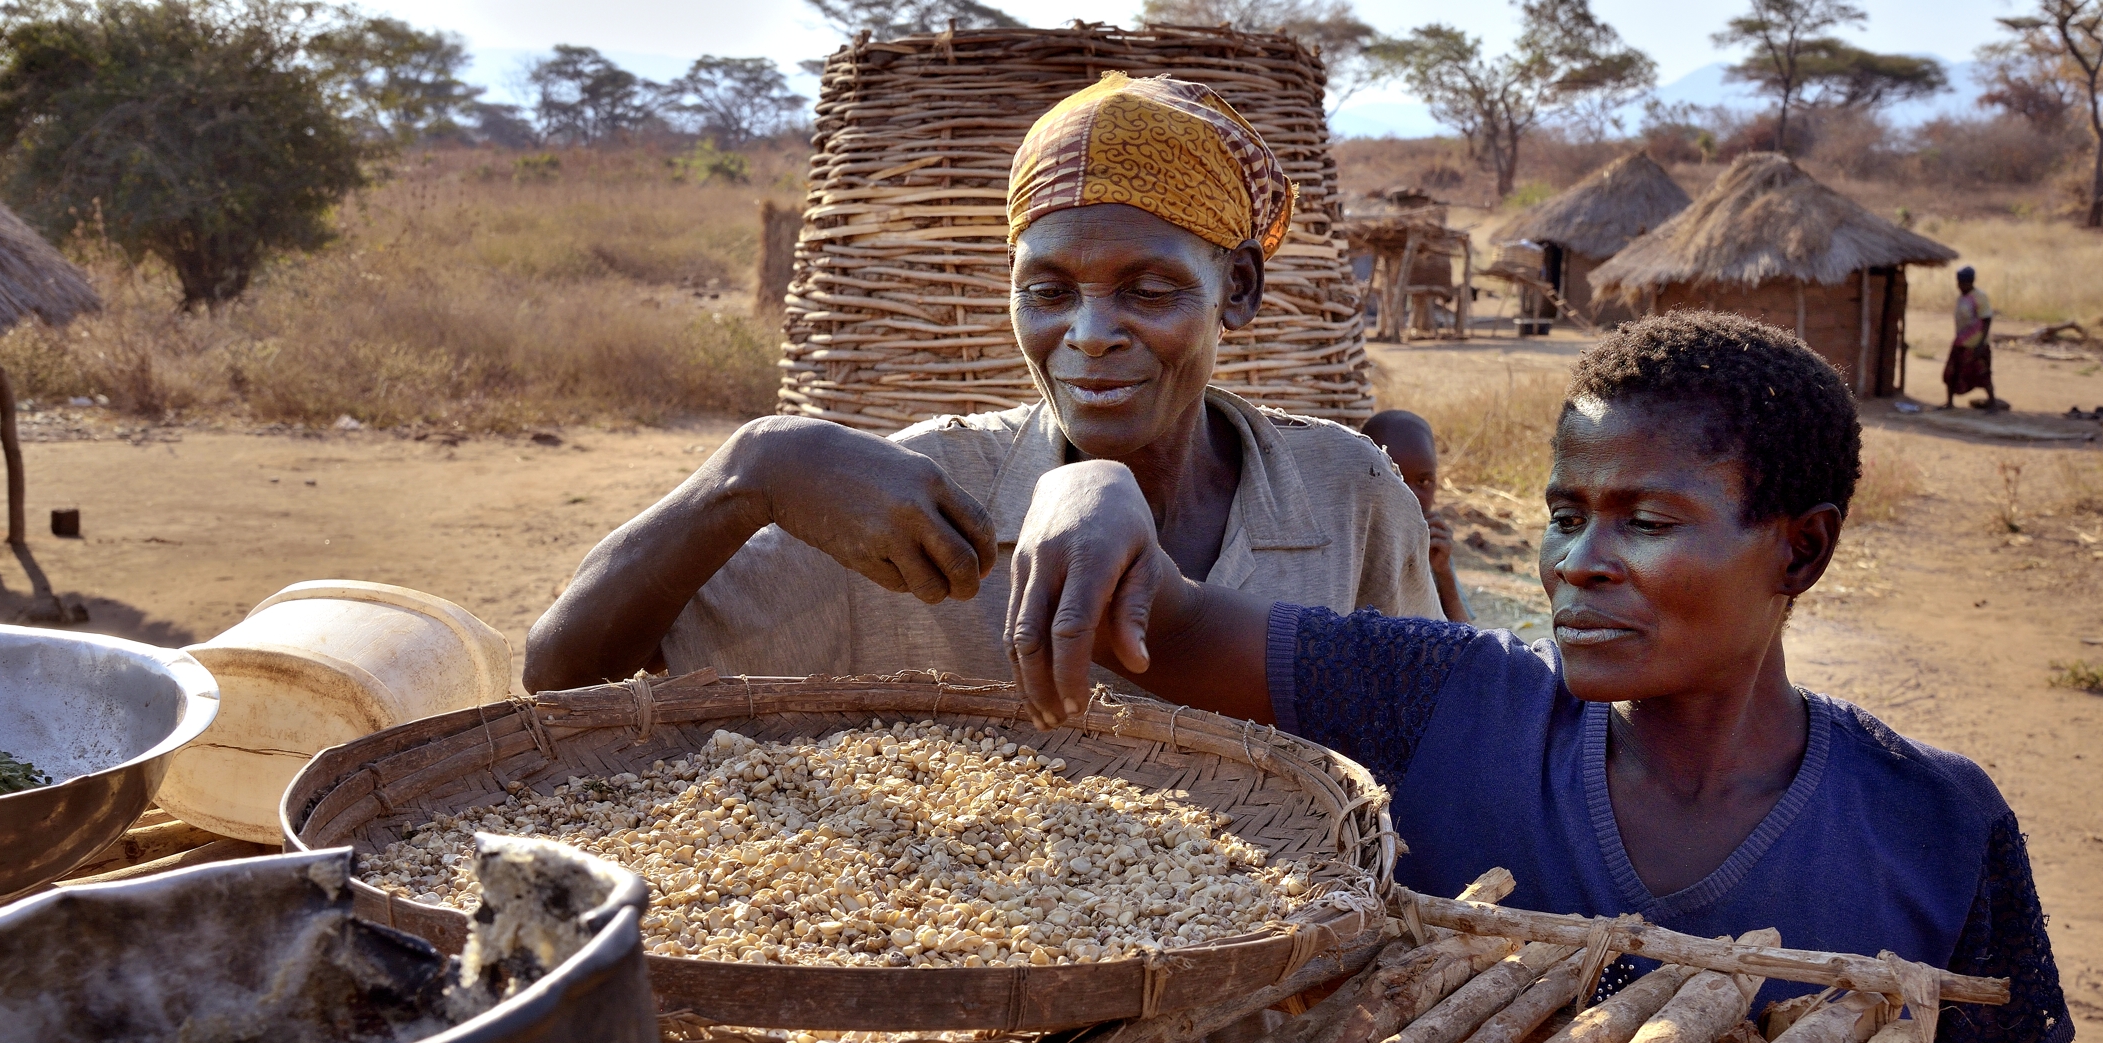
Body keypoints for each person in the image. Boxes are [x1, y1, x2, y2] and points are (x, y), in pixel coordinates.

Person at [1002, 310, 2068, 1043]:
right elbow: (1155, 622)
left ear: (1799, 551)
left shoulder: (1932, 827)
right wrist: (1090, 487)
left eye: (1645, 522)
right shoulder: (1447, 704)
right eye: (1565, 514)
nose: (1575, 563)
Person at [522, 72, 1439, 693]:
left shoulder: (1344, 493)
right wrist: (751, 466)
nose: (1089, 336)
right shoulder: (919, 503)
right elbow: (565, 675)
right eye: (1048, 292)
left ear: (1237, 287)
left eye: (1148, 290)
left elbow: (1434, 727)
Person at [1361, 408, 1475, 623]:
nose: (1411, 497)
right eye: (1396, 479)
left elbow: (1467, 636)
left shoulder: (1431, 547)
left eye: (1423, 482)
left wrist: (1443, 573)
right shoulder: (1355, 550)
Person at [1943, 265, 2000, 411]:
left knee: (1983, 374)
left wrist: (1981, 343)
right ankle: (1949, 403)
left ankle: (1992, 404)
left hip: (1976, 344)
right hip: (1960, 342)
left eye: (1963, 283)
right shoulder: (1961, 298)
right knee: (1951, 372)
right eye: (1959, 282)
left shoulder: (1979, 297)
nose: (1960, 286)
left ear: (1970, 282)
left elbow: (1987, 320)